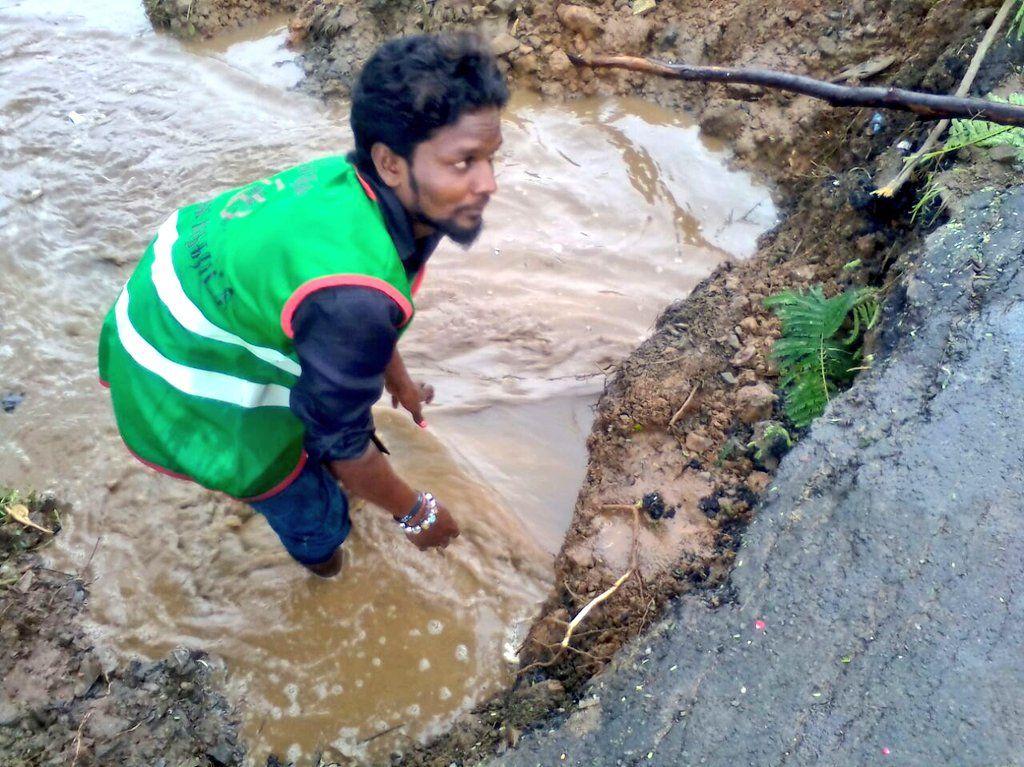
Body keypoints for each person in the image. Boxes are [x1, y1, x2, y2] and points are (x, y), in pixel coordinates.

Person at [97, 33, 508, 577]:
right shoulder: (353, 298)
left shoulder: (356, 187)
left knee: (336, 431)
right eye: (464, 163)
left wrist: (398, 381)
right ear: (390, 162)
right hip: (174, 374)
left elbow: (364, 313)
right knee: (313, 511)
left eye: (491, 158)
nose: (490, 183)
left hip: (168, 302)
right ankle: (324, 568)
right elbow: (343, 437)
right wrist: (415, 512)